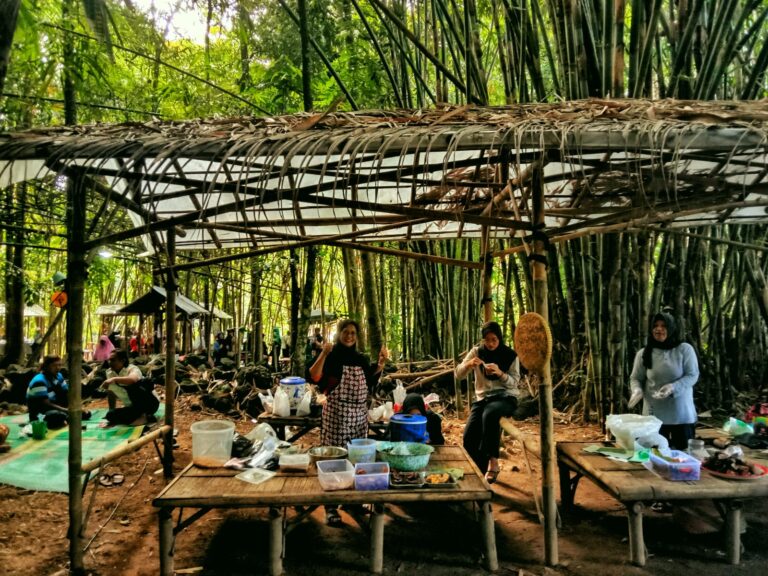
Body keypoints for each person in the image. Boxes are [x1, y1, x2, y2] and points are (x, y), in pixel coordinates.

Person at [308, 319, 388, 524]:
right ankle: (331, 506)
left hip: (359, 416)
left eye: (353, 332)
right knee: (334, 459)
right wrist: (323, 353)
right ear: (339, 333)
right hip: (337, 414)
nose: (350, 335)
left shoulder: (361, 359)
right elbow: (314, 376)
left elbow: (370, 381)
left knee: (357, 458)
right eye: (346, 331)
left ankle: (352, 501)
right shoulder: (331, 356)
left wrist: (381, 364)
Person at [455, 321, 522, 484]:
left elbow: (515, 382)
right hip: (483, 399)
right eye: (487, 340)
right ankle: (477, 471)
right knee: (469, 436)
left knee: (490, 413)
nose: (490, 344)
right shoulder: (477, 352)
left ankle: (493, 462)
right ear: (483, 340)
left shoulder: (510, 355)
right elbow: (458, 374)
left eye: (494, 340)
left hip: (506, 397)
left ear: (499, 338)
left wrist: (500, 373)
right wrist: (469, 364)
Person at [629, 311, 699, 451]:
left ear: (672, 328)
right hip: (653, 415)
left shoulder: (684, 349)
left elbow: (692, 375)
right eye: (655, 325)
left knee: (683, 456)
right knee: (653, 456)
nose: (659, 329)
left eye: (663, 326)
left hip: (681, 413)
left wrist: (673, 387)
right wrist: (637, 390)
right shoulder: (644, 353)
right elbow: (636, 378)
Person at [101, 349, 159, 426]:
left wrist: (114, 379)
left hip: (149, 404)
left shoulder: (132, 369)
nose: (109, 363)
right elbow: (111, 391)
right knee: (110, 415)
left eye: (113, 360)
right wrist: (112, 409)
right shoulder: (109, 373)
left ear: (123, 360)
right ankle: (146, 418)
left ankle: (144, 415)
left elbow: (132, 380)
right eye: (109, 360)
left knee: (134, 386)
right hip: (132, 407)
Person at [26, 355, 70, 428]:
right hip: (41, 412)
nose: (58, 368)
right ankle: (65, 417)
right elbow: (46, 404)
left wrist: (74, 408)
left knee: (86, 413)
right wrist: (66, 410)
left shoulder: (59, 376)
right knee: (57, 416)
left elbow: (66, 393)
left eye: (59, 365)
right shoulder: (39, 381)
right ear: (46, 366)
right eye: (54, 366)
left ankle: (66, 416)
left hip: (57, 406)